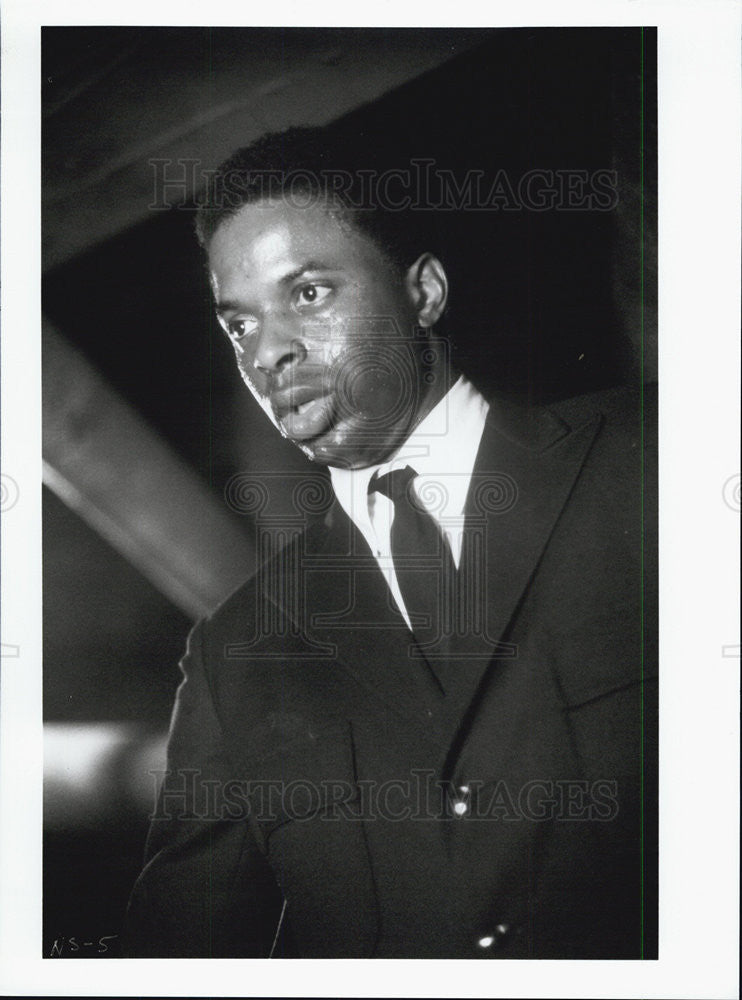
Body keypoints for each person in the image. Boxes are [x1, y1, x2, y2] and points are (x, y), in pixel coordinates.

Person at [124, 126, 657, 959]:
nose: (269, 352)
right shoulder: (237, 657)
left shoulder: (653, 460)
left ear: (425, 291)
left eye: (307, 294)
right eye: (238, 325)